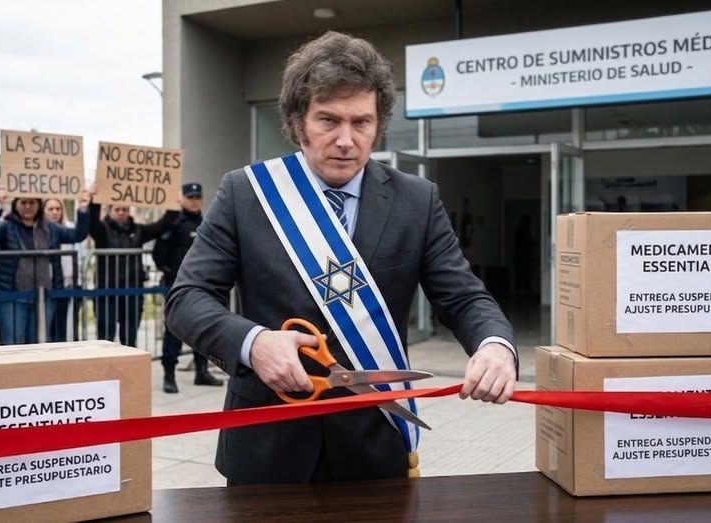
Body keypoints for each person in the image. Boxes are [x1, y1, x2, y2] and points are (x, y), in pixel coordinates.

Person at [165, 31, 517, 485]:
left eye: (361, 122)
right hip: (267, 444)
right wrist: (254, 343)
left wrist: (494, 345)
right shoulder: (245, 193)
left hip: (375, 442)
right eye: (328, 120)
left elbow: (463, 297)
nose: (346, 140)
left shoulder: (417, 200)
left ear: (378, 124)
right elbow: (187, 299)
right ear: (298, 122)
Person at [0, 187, 90, 345]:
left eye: (32, 202)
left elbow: (77, 235)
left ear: (39, 205)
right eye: (23, 202)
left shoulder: (51, 228)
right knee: (13, 344)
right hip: (12, 296)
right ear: (15, 205)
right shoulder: (7, 226)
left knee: (39, 344)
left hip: (44, 297)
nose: (28, 206)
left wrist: (83, 209)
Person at [153, 183, 223, 393]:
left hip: (203, 286)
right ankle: (169, 375)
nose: (194, 201)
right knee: (173, 330)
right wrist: (171, 272)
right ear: (181, 198)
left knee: (203, 329)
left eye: (197, 197)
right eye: (190, 197)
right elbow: (159, 255)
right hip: (175, 284)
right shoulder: (173, 224)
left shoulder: (206, 223)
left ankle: (202, 371)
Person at [87, 186, 174, 348]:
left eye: (125, 209)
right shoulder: (102, 230)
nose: (121, 212)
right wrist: (94, 201)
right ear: (109, 211)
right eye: (117, 209)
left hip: (133, 292)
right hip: (107, 293)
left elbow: (161, 226)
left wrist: (173, 204)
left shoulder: (138, 230)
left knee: (129, 338)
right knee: (105, 338)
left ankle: (129, 365)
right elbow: (91, 224)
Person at [44, 197, 86, 341]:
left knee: (64, 326)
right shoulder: (39, 231)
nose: (55, 212)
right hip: (46, 285)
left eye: (58, 209)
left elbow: (79, 245)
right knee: (47, 327)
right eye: (51, 209)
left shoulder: (69, 229)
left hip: (67, 284)